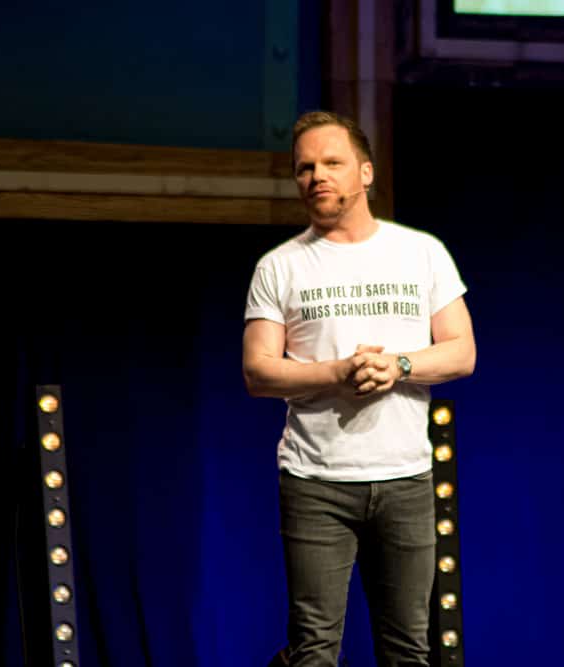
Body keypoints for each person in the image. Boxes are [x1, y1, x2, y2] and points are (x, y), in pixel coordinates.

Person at [242, 110, 476, 666]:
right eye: (304, 168)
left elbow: (462, 351)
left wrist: (398, 365)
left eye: (332, 163)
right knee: (314, 650)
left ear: (365, 173)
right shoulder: (280, 267)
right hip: (316, 482)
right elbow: (258, 371)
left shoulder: (421, 252)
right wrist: (336, 372)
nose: (316, 176)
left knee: (407, 651)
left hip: (406, 479)